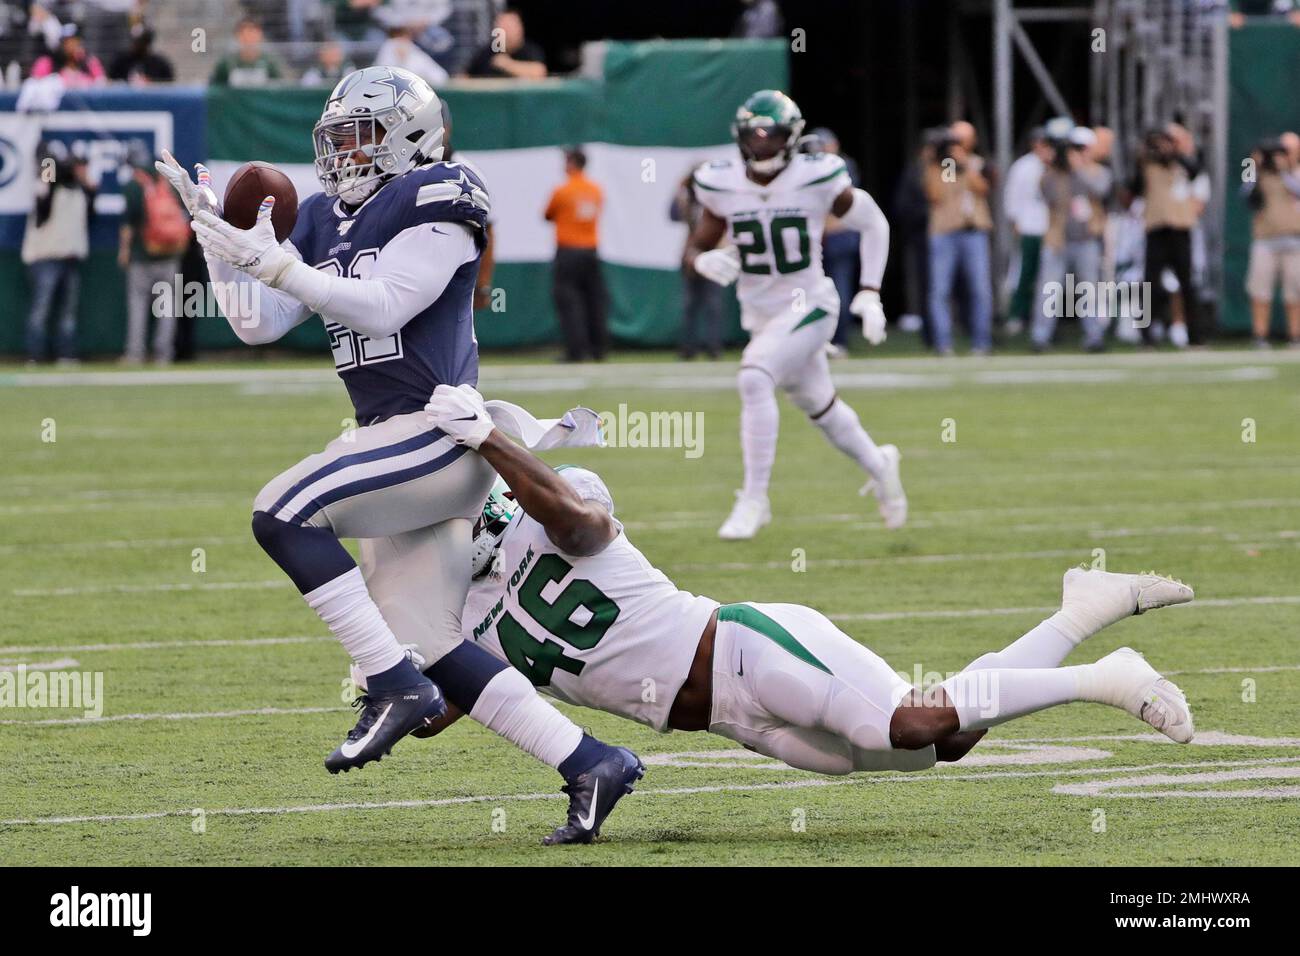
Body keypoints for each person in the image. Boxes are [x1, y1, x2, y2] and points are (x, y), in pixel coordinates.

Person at [156, 66, 641, 845]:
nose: (342, 153)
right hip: (393, 439)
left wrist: (279, 264)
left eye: (358, 136)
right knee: (438, 640)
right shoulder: (320, 215)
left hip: (440, 435)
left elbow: (388, 302)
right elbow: (258, 325)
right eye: (334, 138)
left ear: (409, 135)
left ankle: (389, 683)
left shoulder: (442, 193)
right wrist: (219, 242)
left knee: (282, 511)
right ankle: (590, 762)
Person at [416, 386, 1196, 793]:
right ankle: (1079, 610)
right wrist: (392, 681)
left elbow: (577, 519)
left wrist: (488, 436)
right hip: (735, 722)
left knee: (911, 725)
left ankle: (1109, 677)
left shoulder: (563, 514)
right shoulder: (476, 617)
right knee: (950, 736)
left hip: (749, 651)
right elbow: (451, 701)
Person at [685, 90, 905, 540]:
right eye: (756, 136)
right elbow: (699, 243)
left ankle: (754, 499)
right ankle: (881, 465)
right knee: (820, 407)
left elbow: (874, 222)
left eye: (773, 136)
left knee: (753, 375)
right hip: (761, 314)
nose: (764, 145)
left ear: (793, 138)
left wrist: (869, 292)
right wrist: (701, 260)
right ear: (742, 138)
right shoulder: (720, 182)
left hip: (811, 304)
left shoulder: (816, 175)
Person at [1033, 125, 1113, 352]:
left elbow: (1101, 191)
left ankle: (1094, 336)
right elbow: (1045, 194)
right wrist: (1056, 165)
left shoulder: (1097, 172)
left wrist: (1078, 169)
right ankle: (1040, 337)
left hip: (1087, 238)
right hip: (1057, 239)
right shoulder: (1053, 174)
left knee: (1089, 290)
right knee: (1049, 290)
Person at [923, 120, 994, 354]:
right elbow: (936, 195)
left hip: (974, 233)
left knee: (980, 289)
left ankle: (981, 343)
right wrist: (944, 162)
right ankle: (944, 344)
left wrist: (965, 163)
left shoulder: (977, 162)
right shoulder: (939, 164)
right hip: (944, 232)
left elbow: (982, 189)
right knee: (940, 290)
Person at [22, 139, 95, 365]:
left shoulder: (80, 191)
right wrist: (52, 165)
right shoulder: (50, 186)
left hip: (70, 257)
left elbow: (91, 215)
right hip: (45, 257)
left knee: (68, 312)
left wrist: (89, 187)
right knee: (41, 309)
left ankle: (66, 353)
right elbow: (44, 194)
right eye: (77, 165)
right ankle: (35, 355)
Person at [1134, 125, 1205, 348]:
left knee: (1187, 284)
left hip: (1180, 229)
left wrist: (1175, 150)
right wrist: (1147, 152)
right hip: (1156, 228)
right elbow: (1133, 186)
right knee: (1150, 284)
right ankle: (1146, 335)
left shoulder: (1184, 162)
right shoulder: (1148, 163)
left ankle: (1195, 335)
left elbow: (1195, 171)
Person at [119, 141, 188, 365]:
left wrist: (124, 251)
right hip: (170, 254)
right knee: (167, 308)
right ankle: (163, 354)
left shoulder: (134, 185)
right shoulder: (166, 182)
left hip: (143, 254)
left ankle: (135, 353)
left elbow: (129, 224)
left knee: (138, 306)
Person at [544, 146, 608, 362]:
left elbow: (547, 214)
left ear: (572, 163)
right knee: (594, 299)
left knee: (569, 301)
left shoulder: (562, 191)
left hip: (569, 251)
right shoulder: (596, 190)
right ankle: (599, 349)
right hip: (591, 251)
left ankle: (576, 351)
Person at [803, 128, 862, 355]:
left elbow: (841, 201)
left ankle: (839, 340)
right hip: (812, 238)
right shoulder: (803, 168)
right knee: (805, 292)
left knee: (839, 291)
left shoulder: (840, 167)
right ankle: (809, 341)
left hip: (838, 236)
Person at [1242, 137, 1300, 348]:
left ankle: (1295, 337)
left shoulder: (1294, 172)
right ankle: (1259, 336)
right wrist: (1254, 166)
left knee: (1294, 291)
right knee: (1260, 290)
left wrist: (1284, 170)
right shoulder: (1256, 173)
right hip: (1265, 241)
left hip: (1295, 241)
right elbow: (1245, 195)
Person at [669, 168, 723, 360]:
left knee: (713, 306)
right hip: (690, 257)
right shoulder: (688, 202)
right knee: (690, 305)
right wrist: (679, 190)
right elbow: (672, 214)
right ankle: (688, 348)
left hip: (711, 255)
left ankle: (713, 348)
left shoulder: (714, 203)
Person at [1002, 127, 1051, 338]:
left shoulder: (1055, 165)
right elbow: (1012, 195)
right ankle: (1017, 315)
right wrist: (1015, 221)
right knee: (1024, 273)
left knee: (1049, 278)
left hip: (1050, 229)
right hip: (1029, 226)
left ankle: (1046, 318)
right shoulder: (1023, 166)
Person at [466, 7, 545, 79]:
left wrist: (506, 64)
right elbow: (466, 77)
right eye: (502, 27)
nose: (506, 32)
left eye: (510, 27)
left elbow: (539, 71)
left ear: (520, 29)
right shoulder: (487, 52)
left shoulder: (530, 50)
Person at [208, 18, 283, 87]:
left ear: (260, 35)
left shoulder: (269, 63)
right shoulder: (227, 63)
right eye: (244, 34)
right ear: (238, 36)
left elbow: (278, 88)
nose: (248, 38)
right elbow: (214, 88)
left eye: (252, 34)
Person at [29, 22, 105, 86]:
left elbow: (101, 85)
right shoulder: (46, 63)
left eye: (75, 42)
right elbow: (35, 87)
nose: (71, 47)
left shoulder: (90, 62)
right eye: (66, 43)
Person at [107, 23, 174, 84]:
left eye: (142, 42)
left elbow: (168, 86)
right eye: (135, 42)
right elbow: (111, 83)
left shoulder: (160, 64)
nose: (137, 45)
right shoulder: (120, 61)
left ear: (148, 42)